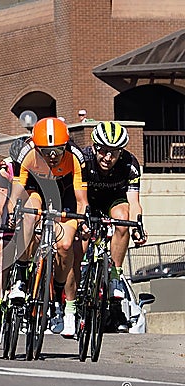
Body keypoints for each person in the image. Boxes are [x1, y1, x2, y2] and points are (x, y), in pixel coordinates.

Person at [8, 117, 88, 338]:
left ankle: (59, 294)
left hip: (66, 196)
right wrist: (11, 213)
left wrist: (82, 221)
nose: (52, 156)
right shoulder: (27, 154)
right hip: (37, 191)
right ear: (36, 146)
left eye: (58, 151)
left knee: (65, 245)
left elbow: (81, 199)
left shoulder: (76, 157)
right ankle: (21, 278)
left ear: (66, 145)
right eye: (46, 151)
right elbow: (17, 189)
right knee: (28, 216)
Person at [81, 121, 147, 331]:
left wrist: (137, 225)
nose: (108, 158)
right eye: (103, 151)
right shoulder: (83, 160)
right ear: (94, 147)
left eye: (114, 153)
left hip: (113, 200)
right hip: (86, 200)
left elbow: (134, 201)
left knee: (123, 218)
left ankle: (115, 276)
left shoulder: (130, 164)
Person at [0, 138, 28, 343]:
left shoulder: (39, 164)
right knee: (1, 259)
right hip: (9, 216)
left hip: (31, 214)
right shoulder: (6, 167)